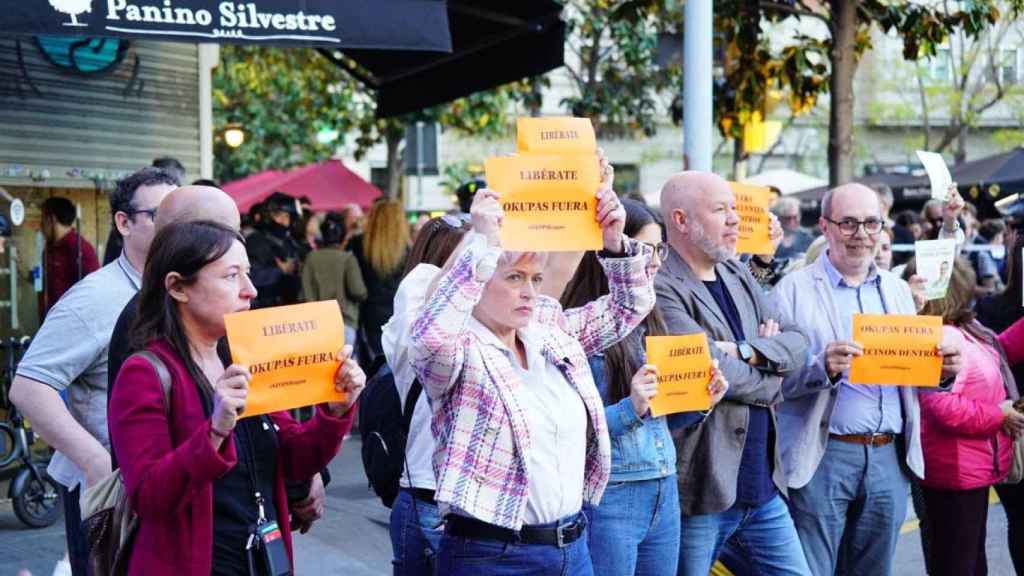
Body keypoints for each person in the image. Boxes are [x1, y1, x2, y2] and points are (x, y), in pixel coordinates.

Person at [410, 167, 656, 575]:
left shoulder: (546, 329)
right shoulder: (460, 349)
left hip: (571, 547)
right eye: (514, 277)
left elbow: (627, 308)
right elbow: (430, 338)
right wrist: (484, 242)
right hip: (492, 556)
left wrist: (613, 243)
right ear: (480, 280)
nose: (529, 290)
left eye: (536, 278)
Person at [109, 220, 364, 575]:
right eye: (231, 276)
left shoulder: (245, 358)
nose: (250, 290)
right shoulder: (146, 373)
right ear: (178, 287)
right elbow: (150, 497)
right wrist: (214, 430)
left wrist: (337, 410)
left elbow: (294, 460)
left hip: (259, 559)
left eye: (247, 274)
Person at [771, 182, 963, 576]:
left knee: (874, 570)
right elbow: (772, 381)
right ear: (824, 226)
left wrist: (942, 373)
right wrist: (820, 367)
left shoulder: (897, 290)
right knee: (812, 569)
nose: (862, 234)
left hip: (887, 456)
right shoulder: (792, 290)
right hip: (823, 453)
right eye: (848, 223)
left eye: (872, 223)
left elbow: (911, 374)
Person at [8, 167, 177, 576]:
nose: (177, 227)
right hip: (111, 493)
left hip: (167, 484)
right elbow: (29, 387)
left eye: (182, 215)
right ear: (124, 223)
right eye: (161, 215)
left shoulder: (178, 290)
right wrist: (96, 462)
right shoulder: (96, 299)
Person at [654, 171, 811, 576]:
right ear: (681, 220)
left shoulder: (736, 273)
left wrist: (744, 351)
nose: (735, 220)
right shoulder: (661, 284)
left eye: (734, 209)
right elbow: (705, 371)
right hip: (703, 489)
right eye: (720, 209)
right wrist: (770, 374)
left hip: (763, 487)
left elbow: (797, 342)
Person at [560, 198, 728, 576]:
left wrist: (702, 399)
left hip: (663, 483)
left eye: (658, 250)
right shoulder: (577, 328)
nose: (653, 261)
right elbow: (567, 430)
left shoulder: (651, 315)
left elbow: (662, 419)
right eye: (643, 250)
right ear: (608, 254)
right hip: (612, 492)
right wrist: (630, 408)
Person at [916, 261, 1023, 576]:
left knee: (970, 561)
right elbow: (941, 406)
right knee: (960, 564)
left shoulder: (965, 331)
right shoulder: (944, 336)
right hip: (955, 471)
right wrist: (998, 415)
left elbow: (998, 351)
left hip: (968, 468)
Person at [382, 213, 471, 575]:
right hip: (429, 495)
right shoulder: (418, 294)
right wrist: (476, 242)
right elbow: (429, 323)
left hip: (463, 500)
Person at [351, 199, 409, 368]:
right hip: (398, 313)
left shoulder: (358, 245)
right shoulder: (408, 250)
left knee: (372, 366)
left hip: (369, 314)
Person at [302, 212, 367, 345]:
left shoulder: (310, 258)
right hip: (344, 322)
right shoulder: (348, 259)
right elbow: (358, 291)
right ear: (343, 237)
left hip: (315, 324)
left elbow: (304, 290)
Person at [39, 196, 99, 318]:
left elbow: (95, 291)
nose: (40, 225)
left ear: (52, 219)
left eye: (42, 219)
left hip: (72, 322)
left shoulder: (80, 249)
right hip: (50, 321)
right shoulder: (49, 249)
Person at [247, 192, 302, 308]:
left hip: (289, 306)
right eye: (278, 215)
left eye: (286, 216)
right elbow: (250, 277)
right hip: (264, 307)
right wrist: (279, 271)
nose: (282, 221)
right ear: (267, 216)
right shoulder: (255, 241)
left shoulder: (290, 241)